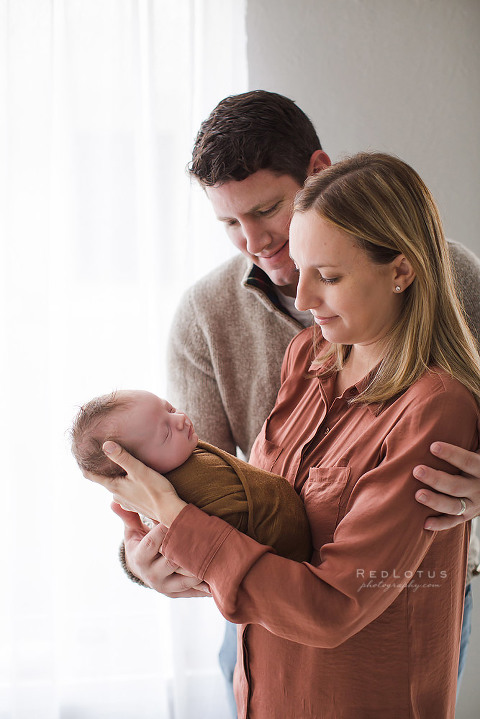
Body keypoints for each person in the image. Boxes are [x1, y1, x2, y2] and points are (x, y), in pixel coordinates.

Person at [115, 91, 480, 713]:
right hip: (258, 613)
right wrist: (141, 553)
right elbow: (187, 479)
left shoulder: (457, 289)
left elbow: (338, 602)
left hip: (386, 612)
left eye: (266, 211)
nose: (255, 243)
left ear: (317, 173)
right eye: (230, 224)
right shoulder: (251, 334)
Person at [70, 390, 312, 563]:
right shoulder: (181, 497)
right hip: (282, 561)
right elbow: (207, 553)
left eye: (170, 409)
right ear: (136, 469)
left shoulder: (182, 454)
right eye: (165, 433)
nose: (180, 419)